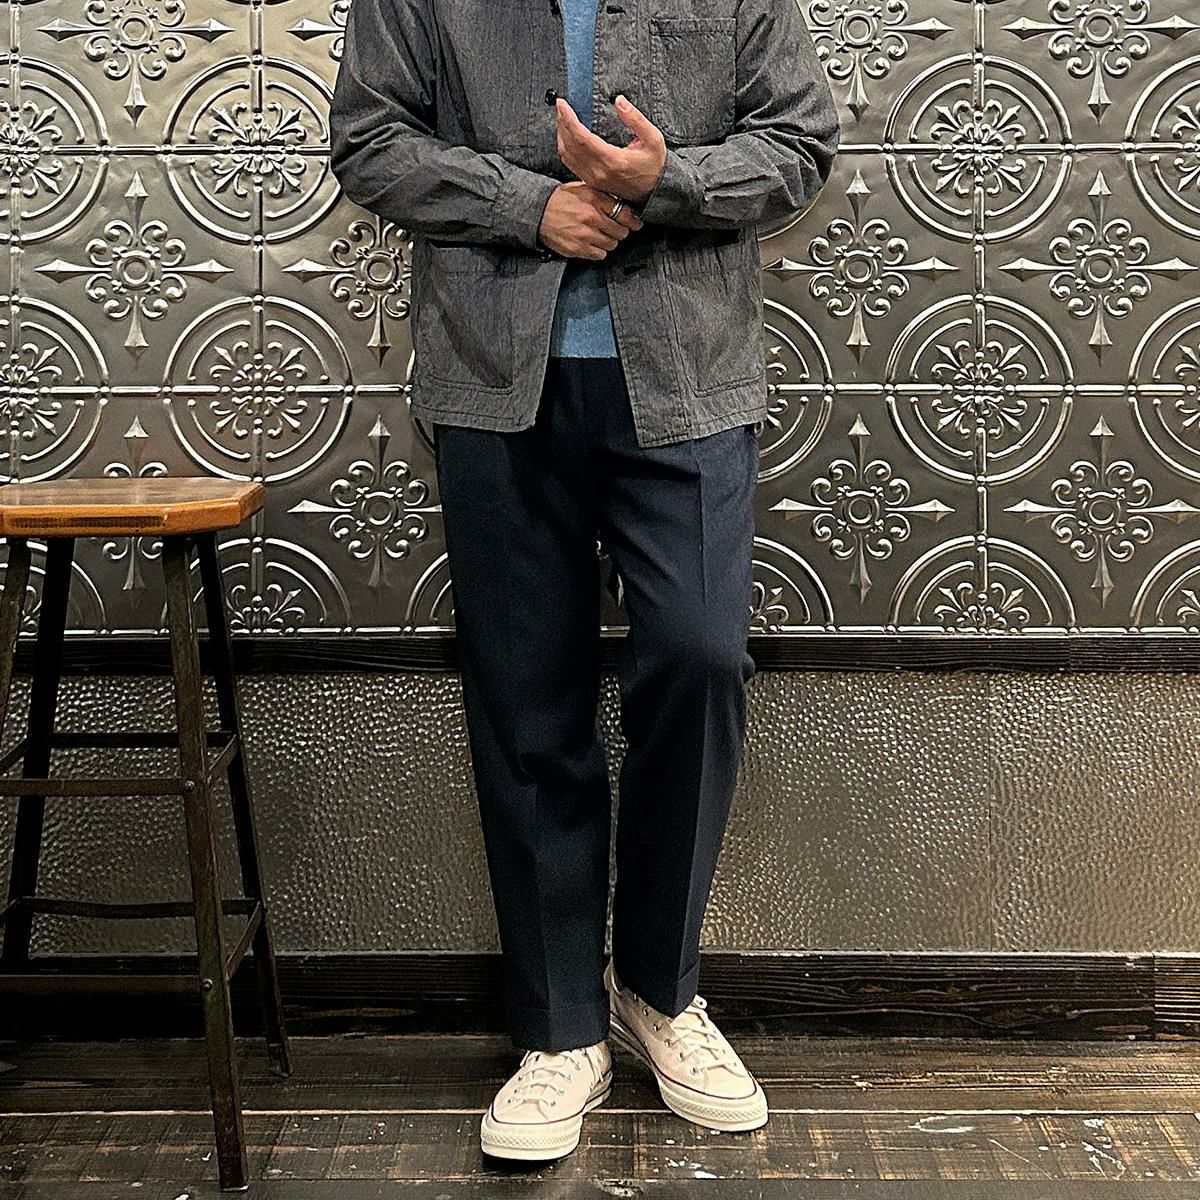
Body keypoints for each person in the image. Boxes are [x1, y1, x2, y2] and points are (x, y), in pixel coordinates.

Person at [329, 0, 839, 1163]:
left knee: (700, 656)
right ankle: (561, 1028)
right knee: (525, 699)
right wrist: (529, 206)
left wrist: (669, 180)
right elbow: (369, 136)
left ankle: (658, 990)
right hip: (492, 378)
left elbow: (800, 139)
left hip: (690, 379)